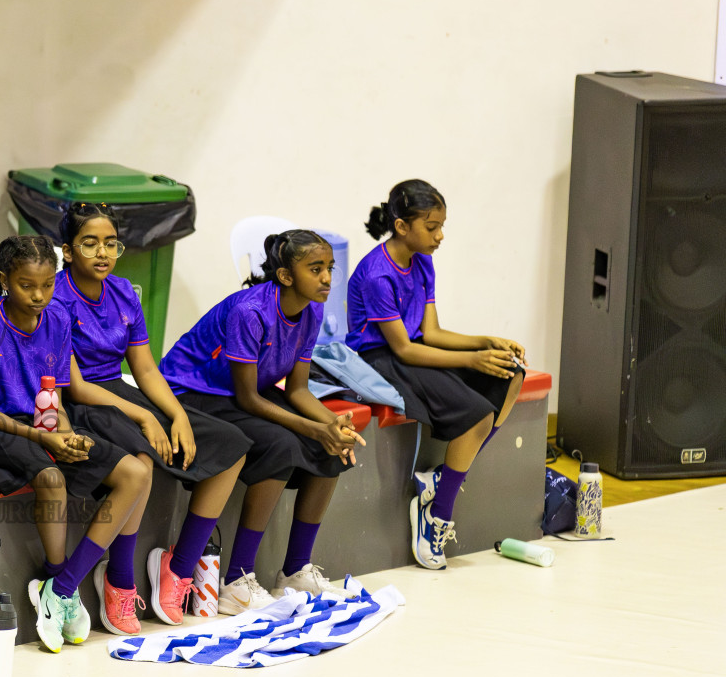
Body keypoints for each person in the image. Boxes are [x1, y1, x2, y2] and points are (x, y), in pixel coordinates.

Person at [51, 203, 250, 632]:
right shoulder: (56, 298)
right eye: (89, 243)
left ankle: (178, 570)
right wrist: (144, 416)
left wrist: (176, 414)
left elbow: (143, 368)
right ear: (68, 252)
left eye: (110, 243)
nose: (102, 252)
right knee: (141, 460)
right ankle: (119, 582)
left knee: (232, 445)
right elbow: (76, 385)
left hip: (124, 392)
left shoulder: (124, 292)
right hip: (83, 402)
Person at [0, 235, 151, 652]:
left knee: (134, 473)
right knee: (51, 477)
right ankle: (56, 573)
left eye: (47, 285)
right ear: (5, 280)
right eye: (27, 285)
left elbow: (53, 395)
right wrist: (47, 440)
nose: (40, 295)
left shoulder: (57, 320)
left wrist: (66, 432)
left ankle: (61, 587)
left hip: (42, 422)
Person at [161, 230, 364, 612]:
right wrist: (314, 428)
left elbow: (298, 392)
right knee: (281, 445)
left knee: (331, 449)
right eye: (316, 269)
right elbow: (248, 398)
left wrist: (334, 426)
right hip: (193, 392)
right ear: (286, 276)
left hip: (241, 394)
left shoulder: (312, 309)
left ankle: (295, 571)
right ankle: (238, 579)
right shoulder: (250, 312)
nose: (326, 279)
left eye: (329, 269)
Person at [347, 179, 525, 570]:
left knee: (512, 373)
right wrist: (471, 360)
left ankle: (443, 479)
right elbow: (403, 348)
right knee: (477, 412)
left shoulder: (423, 260)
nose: (440, 235)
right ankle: (436, 516)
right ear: (401, 226)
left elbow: (432, 334)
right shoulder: (378, 274)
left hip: (414, 350)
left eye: (442, 225)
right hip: (381, 360)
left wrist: (486, 342)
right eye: (432, 227)